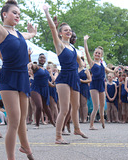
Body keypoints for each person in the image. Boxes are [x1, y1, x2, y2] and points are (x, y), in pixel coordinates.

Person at [0, 0, 37, 159]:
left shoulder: (18, 34)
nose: (17, 16)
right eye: (14, 13)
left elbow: (28, 35)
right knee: (14, 121)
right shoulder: (0, 31)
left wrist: (33, 33)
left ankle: (26, 149)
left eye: (19, 14)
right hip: (9, 77)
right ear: (4, 14)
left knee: (22, 120)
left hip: (23, 77)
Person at [43, 5, 88, 145]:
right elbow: (52, 29)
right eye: (65, 30)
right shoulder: (60, 45)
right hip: (64, 79)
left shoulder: (73, 47)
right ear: (60, 33)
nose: (68, 32)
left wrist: (82, 67)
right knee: (64, 109)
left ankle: (77, 129)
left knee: (76, 107)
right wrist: (47, 12)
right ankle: (58, 137)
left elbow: (80, 64)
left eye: (70, 30)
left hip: (74, 77)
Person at [84, 35, 114, 130]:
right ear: (94, 54)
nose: (97, 54)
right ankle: (91, 125)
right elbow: (86, 52)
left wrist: (115, 70)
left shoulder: (102, 64)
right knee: (96, 106)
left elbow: (108, 70)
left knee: (102, 107)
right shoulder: (92, 63)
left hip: (101, 85)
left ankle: (102, 121)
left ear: (101, 55)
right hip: (94, 86)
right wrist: (85, 41)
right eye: (96, 53)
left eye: (99, 53)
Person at [30, 53, 55, 129]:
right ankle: (37, 124)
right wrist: (29, 56)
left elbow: (47, 81)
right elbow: (31, 65)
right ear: (38, 59)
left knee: (46, 107)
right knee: (39, 106)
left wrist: (53, 85)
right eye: (41, 57)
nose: (42, 59)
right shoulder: (36, 67)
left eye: (44, 58)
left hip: (45, 89)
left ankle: (53, 123)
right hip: (35, 88)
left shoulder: (45, 70)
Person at [78, 58, 91, 123]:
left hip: (84, 87)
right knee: (78, 104)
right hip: (77, 87)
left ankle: (85, 118)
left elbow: (90, 79)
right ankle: (81, 118)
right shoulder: (75, 70)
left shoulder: (86, 70)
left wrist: (83, 81)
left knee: (84, 103)